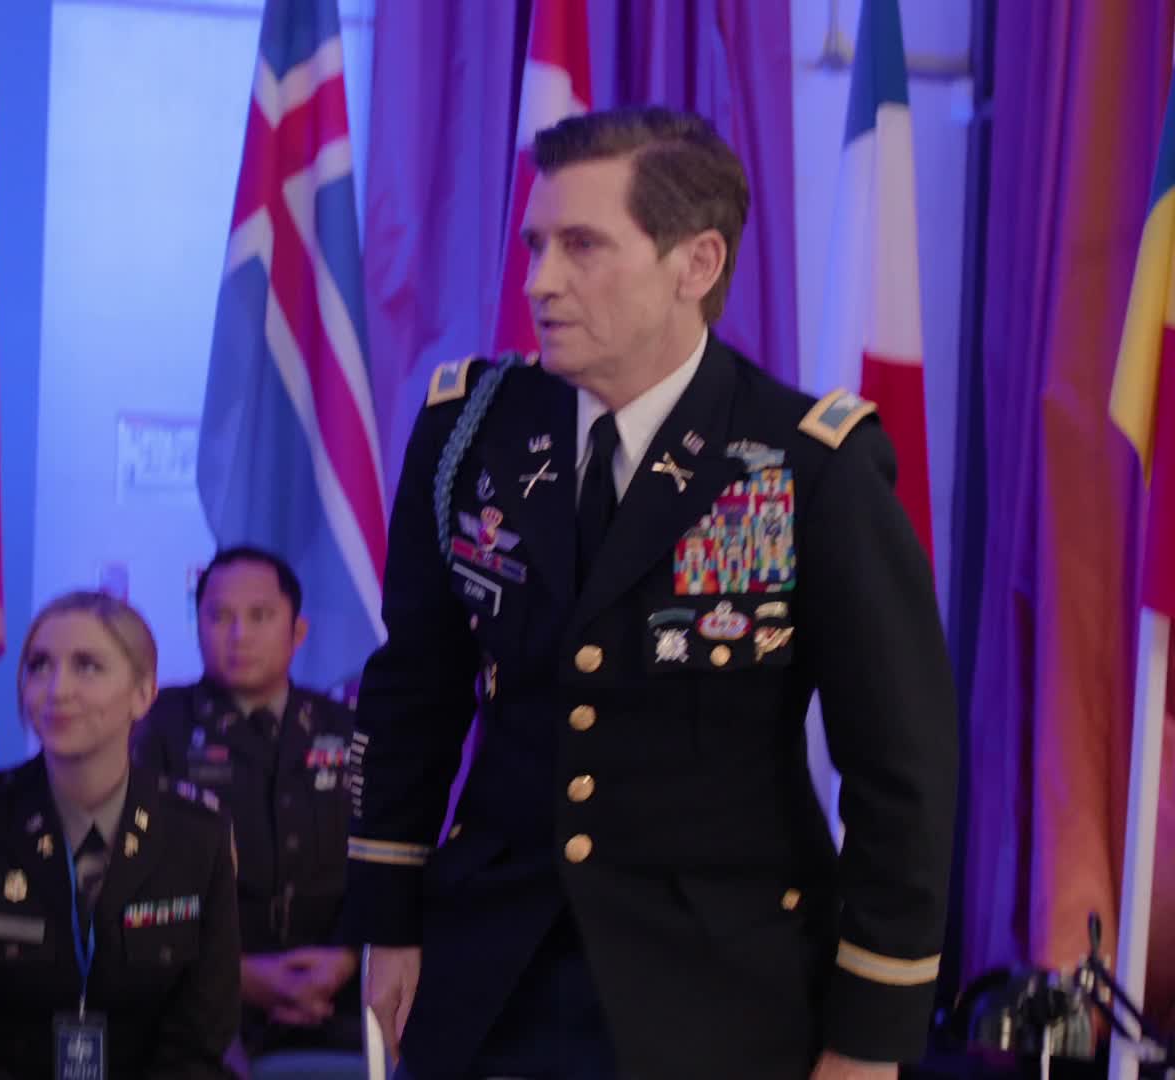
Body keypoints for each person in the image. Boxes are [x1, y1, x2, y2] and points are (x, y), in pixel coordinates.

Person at [346, 107, 957, 1080]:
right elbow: (414, 687)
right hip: (492, 976)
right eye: (536, 245)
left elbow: (902, 773)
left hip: (721, 994)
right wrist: (389, 918)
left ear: (696, 263)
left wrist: (869, 1038)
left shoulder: (806, 463)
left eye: (582, 246)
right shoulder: (471, 433)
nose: (540, 281)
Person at [0, 590, 242, 1078]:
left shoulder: (196, 833)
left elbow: (202, 1036)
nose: (57, 690)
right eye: (39, 666)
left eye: (88, 666)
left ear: (143, 693)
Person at [133, 546, 360, 1059]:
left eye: (260, 616)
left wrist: (347, 959)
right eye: (219, 616)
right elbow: (134, 881)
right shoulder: (157, 727)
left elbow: (378, 861)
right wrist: (236, 976)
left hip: (340, 997)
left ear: (297, 631)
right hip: (194, 1001)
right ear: (197, 625)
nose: (239, 635)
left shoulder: (346, 728)